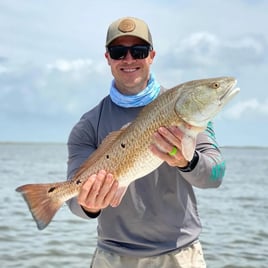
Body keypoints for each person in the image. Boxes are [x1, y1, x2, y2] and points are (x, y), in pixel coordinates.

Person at [66, 16, 225, 268]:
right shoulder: (87, 126)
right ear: (107, 57)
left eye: (138, 51)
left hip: (180, 254)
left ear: (152, 55)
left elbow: (215, 175)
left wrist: (188, 161)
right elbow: (74, 203)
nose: (129, 59)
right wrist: (88, 204)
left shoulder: (185, 109)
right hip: (113, 257)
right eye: (119, 52)